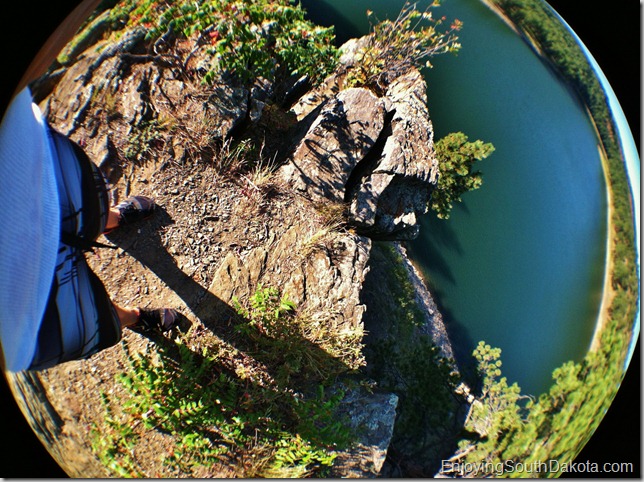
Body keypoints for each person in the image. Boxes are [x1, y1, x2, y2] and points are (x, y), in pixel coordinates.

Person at [0, 87, 179, 373]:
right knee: (93, 317)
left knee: (88, 206)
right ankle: (132, 317)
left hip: (28, 171)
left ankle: (109, 219)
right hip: (16, 309)